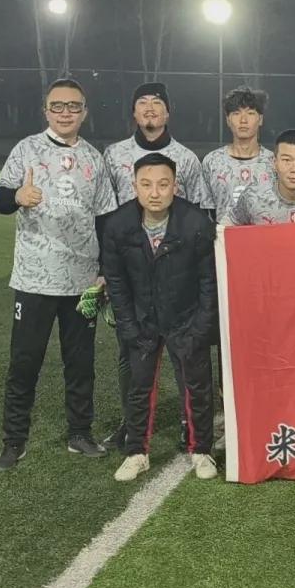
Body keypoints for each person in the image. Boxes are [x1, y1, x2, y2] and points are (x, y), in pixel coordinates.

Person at [0, 78, 117, 471]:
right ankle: (14, 441)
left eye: (73, 106)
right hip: (34, 279)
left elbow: (106, 219)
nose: (65, 113)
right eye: (58, 106)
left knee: (80, 363)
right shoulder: (26, 149)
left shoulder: (94, 159)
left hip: (81, 281)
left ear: (84, 112)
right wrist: (17, 196)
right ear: (46, 110)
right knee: (24, 362)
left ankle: (80, 433)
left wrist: (104, 271)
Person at [102, 82, 208, 451]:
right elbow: (106, 212)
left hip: (178, 274)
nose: (150, 109)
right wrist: (107, 267)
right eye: (142, 103)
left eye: (157, 103)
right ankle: (129, 423)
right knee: (131, 350)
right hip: (132, 268)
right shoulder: (114, 154)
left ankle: (187, 422)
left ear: (168, 112)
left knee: (185, 355)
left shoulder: (186, 158)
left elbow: (198, 214)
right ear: (133, 112)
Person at [100, 153, 219, 482]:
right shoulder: (117, 225)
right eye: (146, 184)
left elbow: (209, 282)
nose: (155, 192)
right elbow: (116, 282)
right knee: (139, 387)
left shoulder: (196, 223)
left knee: (197, 387)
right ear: (134, 186)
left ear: (175, 186)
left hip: (185, 316)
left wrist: (200, 327)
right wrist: (128, 325)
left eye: (163, 185)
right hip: (142, 318)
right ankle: (137, 453)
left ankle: (201, 450)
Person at [202, 87, 274, 224]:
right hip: (223, 235)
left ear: (260, 119)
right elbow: (206, 211)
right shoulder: (212, 161)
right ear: (228, 120)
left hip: (263, 236)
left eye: (250, 113)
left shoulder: (273, 162)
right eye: (236, 113)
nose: (243, 120)